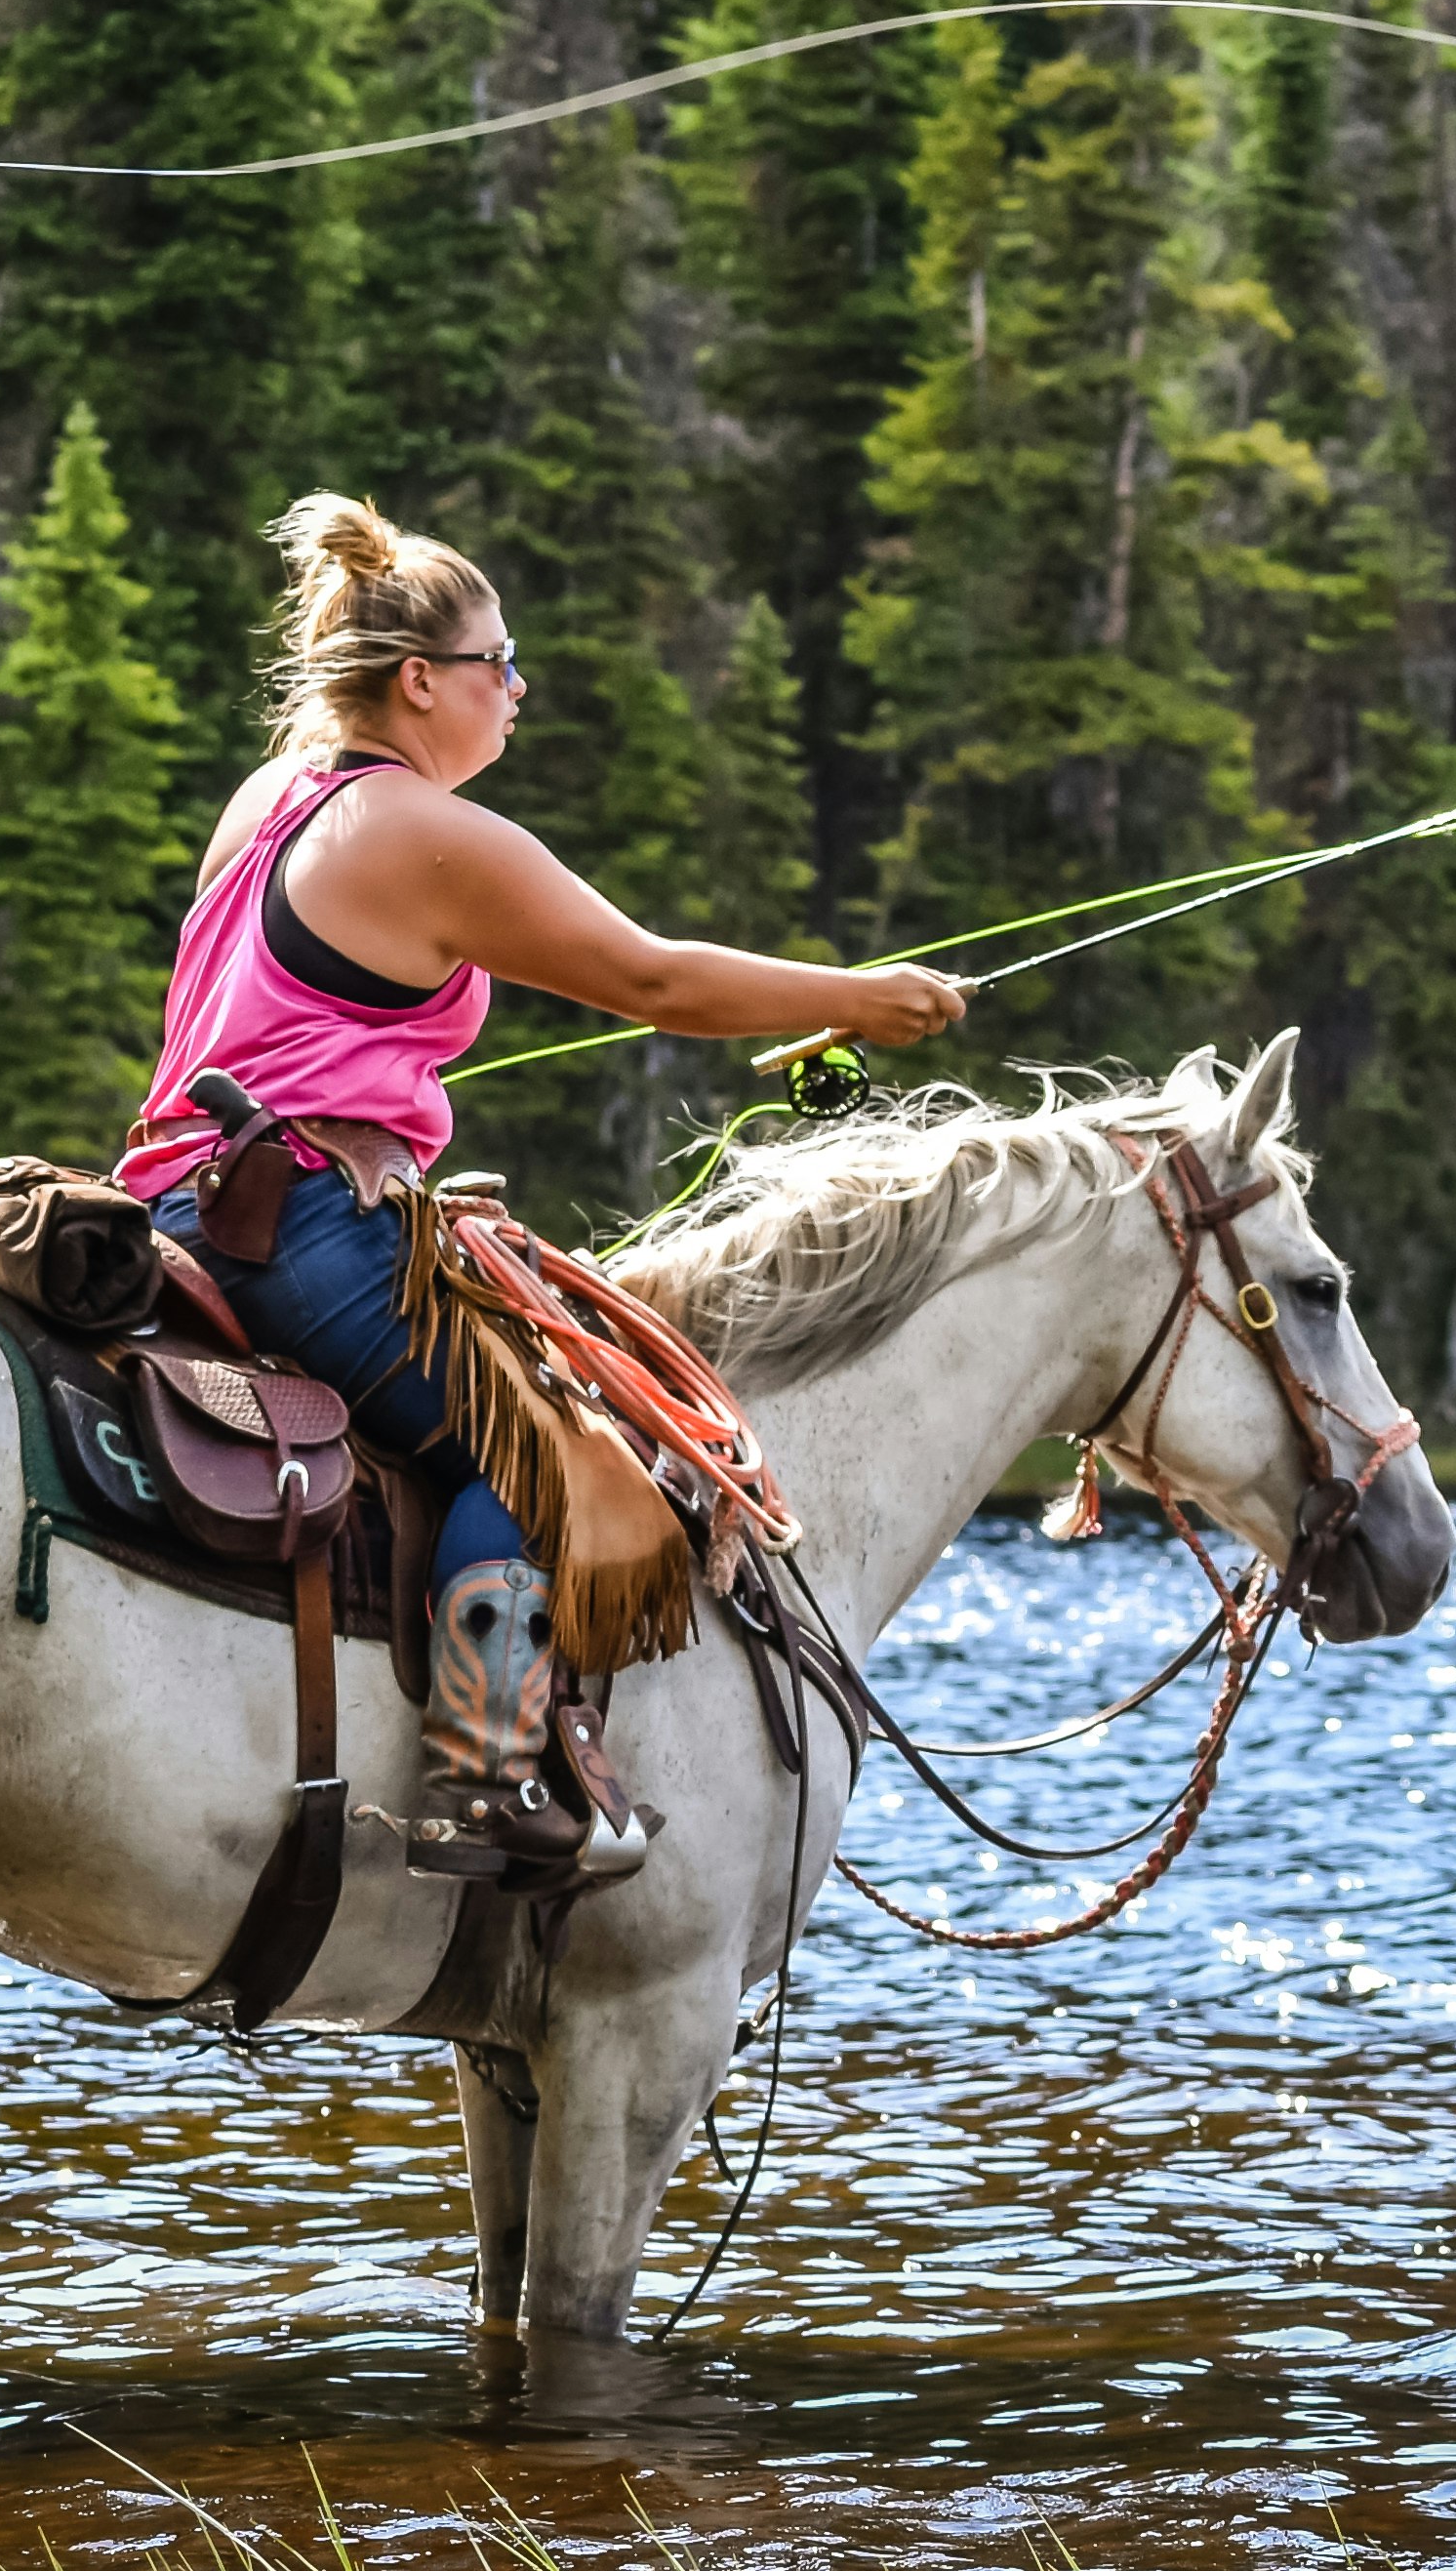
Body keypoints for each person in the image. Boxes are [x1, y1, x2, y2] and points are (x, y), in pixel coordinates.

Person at [114, 493, 965, 1885]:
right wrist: (860, 999)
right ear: (419, 684)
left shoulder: (273, 798)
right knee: (541, 1452)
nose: (516, 694)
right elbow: (652, 978)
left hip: (184, 1207)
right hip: (311, 1223)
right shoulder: (414, 827)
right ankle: (483, 1774)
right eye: (500, 666)